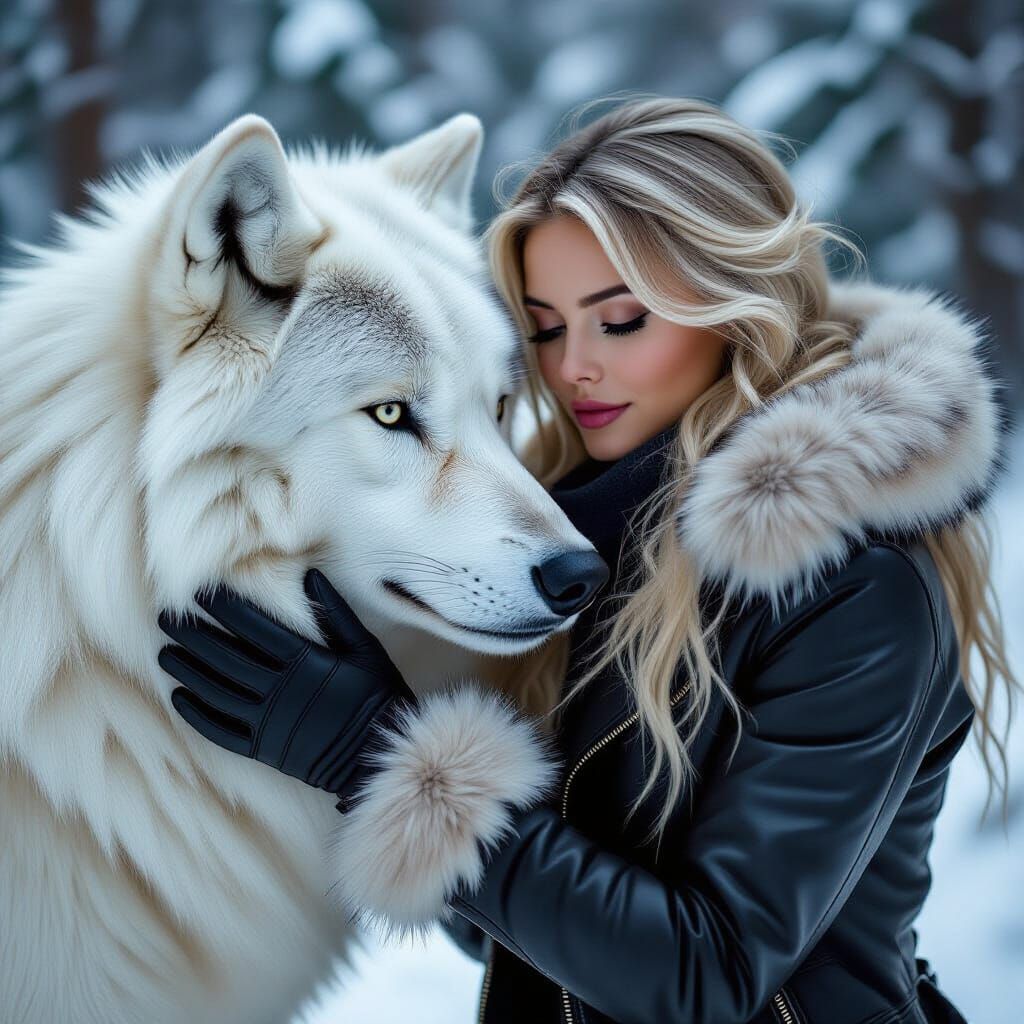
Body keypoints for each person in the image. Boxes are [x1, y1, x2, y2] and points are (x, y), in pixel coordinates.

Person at [156, 96, 1019, 1023]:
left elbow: (706, 974)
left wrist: (376, 753)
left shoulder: (850, 588)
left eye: (619, 321)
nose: (572, 370)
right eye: (546, 326)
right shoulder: (589, 542)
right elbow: (518, 940)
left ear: (733, 308)